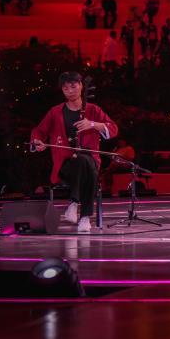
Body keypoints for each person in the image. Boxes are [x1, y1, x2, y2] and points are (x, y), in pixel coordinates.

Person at [29, 72, 118, 233]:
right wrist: (37, 142)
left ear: (81, 86)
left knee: (84, 160)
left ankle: (74, 203)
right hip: (65, 166)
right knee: (85, 165)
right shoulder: (55, 112)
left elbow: (113, 129)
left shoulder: (93, 110)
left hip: (90, 162)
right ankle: (84, 217)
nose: (70, 91)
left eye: (73, 86)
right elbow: (39, 131)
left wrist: (92, 124)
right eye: (65, 88)